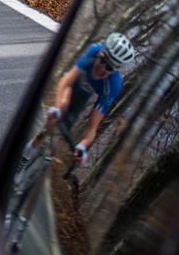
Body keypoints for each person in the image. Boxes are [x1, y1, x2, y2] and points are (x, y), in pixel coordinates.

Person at [21, 32, 135, 169]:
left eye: (109, 67)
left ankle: (46, 159)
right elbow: (66, 81)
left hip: (82, 98)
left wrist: (83, 145)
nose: (102, 68)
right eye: (103, 60)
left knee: (63, 131)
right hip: (73, 84)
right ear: (100, 53)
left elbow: (92, 126)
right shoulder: (93, 50)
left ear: (115, 70)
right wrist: (56, 108)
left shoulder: (113, 86)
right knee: (60, 109)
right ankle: (26, 155)